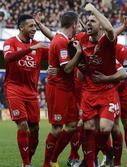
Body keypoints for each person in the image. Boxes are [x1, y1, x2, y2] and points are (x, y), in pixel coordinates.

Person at [75, 3, 127, 167]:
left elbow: (111, 30)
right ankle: (90, 161)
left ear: (100, 25)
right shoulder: (81, 39)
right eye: (87, 21)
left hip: (107, 92)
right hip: (89, 92)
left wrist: (94, 10)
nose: (89, 23)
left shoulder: (107, 41)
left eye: (93, 21)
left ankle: (108, 152)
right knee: (88, 128)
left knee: (105, 129)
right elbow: (60, 40)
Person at [2, 14, 49, 167]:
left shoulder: (39, 46)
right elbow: (8, 58)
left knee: (35, 129)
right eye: (31, 26)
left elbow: (57, 50)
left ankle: (27, 160)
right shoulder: (10, 42)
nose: (34, 29)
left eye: (35, 26)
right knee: (23, 125)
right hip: (13, 89)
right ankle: (26, 164)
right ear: (21, 27)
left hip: (32, 93)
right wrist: (30, 49)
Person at [43, 11, 82, 167]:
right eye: (78, 24)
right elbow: (66, 68)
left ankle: (54, 158)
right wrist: (78, 53)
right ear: (73, 25)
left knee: (73, 124)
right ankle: (48, 162)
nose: (79, 27)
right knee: (57, 128)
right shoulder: (60, 41)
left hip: (68, 88)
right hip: (58, 89)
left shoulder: (66, 39)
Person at [92, 43, 127, 167]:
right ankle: (111, 159)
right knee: (109, 126)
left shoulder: (123, 50)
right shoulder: (96, 49)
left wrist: (105, 79)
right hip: (107, 91)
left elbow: (123, 76)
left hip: (122, 90)